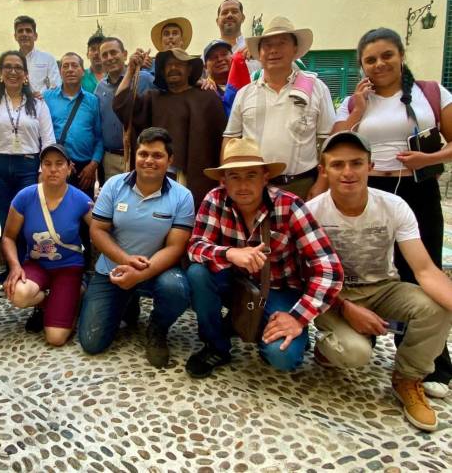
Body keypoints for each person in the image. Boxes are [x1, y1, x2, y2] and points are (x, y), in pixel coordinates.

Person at [332, 26, 452, 394]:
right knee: (366, 266)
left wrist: (428, 158)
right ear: (361, 65)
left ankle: (428, 359)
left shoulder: (430, 93)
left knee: (421, 265)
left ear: (401, 56)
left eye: (387, 55)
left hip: (416, 186)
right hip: (368, 189)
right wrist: (358, 111)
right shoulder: (355, 101)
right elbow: (335, 143)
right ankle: (360, 330)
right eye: (370, 59)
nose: (379, 64)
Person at [308, 131, 452, 432]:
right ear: (324, 170)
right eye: (338, 165)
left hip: (383, 287)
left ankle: (407, 379)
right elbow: (306, 278)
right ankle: (326, 348)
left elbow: (424, 269)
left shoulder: (394, 206)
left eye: (357, 163)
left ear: (370, 166)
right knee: (355, 353)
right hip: (334, 294)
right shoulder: (313, 213)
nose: (348, 172)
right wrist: (346, 308)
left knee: (437, 308)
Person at [185, 138, 343, 377]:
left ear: (265, 177)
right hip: (235, 284)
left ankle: (263, 325)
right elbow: (195, 246)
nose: (243, 185)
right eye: (234, 177)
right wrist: (230, 253)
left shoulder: (289, 206)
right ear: (223, 180)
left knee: (283, 357)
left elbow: (329, 268)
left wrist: (298, 318)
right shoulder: (215, 199)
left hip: (280, 289)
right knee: (198, 273)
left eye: (251, 175)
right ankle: (216, 346)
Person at [78, 128, 194, 368]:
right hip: (114, 268)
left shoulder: (182, 196)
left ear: (170, 160)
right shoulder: (113, 185)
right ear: (134, 155)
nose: (149, 160)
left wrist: (140, 273)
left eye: (157, 155)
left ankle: (157, 329)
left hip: (157, 269)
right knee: (92, 342)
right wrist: (125, 261)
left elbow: (175, 247)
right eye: (143, 154)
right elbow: (97, 230)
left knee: (177, 288)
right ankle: (126, 301)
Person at [224, 16, 335, 199]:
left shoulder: (316, 87)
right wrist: (230, 182)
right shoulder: (245, 93)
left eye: (282, 43)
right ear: (259, 53)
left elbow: (328, 142)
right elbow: (230, 141)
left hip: (302, 185)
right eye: (267, 45)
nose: (274, 50)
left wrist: (321, 184)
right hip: (255, 187)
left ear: (295, 49)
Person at [2, 144, 92, 344]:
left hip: (68, 267)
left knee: (55, 338)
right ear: (41, 167)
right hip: (36, 265)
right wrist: (15, 266)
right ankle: (52, 303)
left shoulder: (80, 200)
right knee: (18, 294)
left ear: (69, 168)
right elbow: (8, 236)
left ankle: (78, 291)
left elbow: (101, 231)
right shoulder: (25, 196)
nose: (53, 169)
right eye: (47, 164)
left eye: (59, 164)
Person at [114, 48, 226, 207]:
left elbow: (221, 140)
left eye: (179, 64)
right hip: (158, 177)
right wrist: (130, 71)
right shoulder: (153, 98)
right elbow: (121, 104)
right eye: (168, 65)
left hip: (196, 178)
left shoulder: (208, 98)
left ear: (189, 70)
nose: (173, 68)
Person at [0, 50, 55, 240]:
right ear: (0, 73)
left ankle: (25, 267)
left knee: (27, 219)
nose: (13, 71)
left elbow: (48, 139)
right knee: (4, 219)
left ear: (26, 75)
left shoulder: (38, 104)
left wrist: (44, 170)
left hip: (28, 168)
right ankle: (12, 268)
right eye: (7, 67)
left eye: (18, 67)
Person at [43, 52, 102, 271]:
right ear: (60, 70)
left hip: (85, 169)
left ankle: (84, 266)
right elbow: (43, 131)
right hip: (56, 167)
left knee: (83, 216)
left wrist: (94, 164)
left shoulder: (92, 101)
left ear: (82, 70)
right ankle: (55, 263)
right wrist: (61, 162)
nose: (69, 69)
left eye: (74, 65)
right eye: (65, 65)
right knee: (54, 215)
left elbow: (99, 137)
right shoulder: (47, 98)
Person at [94, 37, 154, 182]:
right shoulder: (99, 88)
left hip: (139, 155)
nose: (109, 58)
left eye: (113, 52)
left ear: (125, 54)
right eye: (105, 55)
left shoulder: (144, 79)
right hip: (110, 159)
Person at [13, 15, 61, 95]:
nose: (24, 34)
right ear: (15, 36)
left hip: (42, 103)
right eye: (20, 31)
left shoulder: (48, 59)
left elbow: (56, 85)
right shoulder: (11, 61)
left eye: (28, 31)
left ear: (35, 36)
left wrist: (42, 95)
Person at [202, 39, 234, 114]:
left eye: (224, 54)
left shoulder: (246, 84)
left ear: (233, 57)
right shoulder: (203, 90)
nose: (220, 59)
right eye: (213, 57)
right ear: (205, 66)